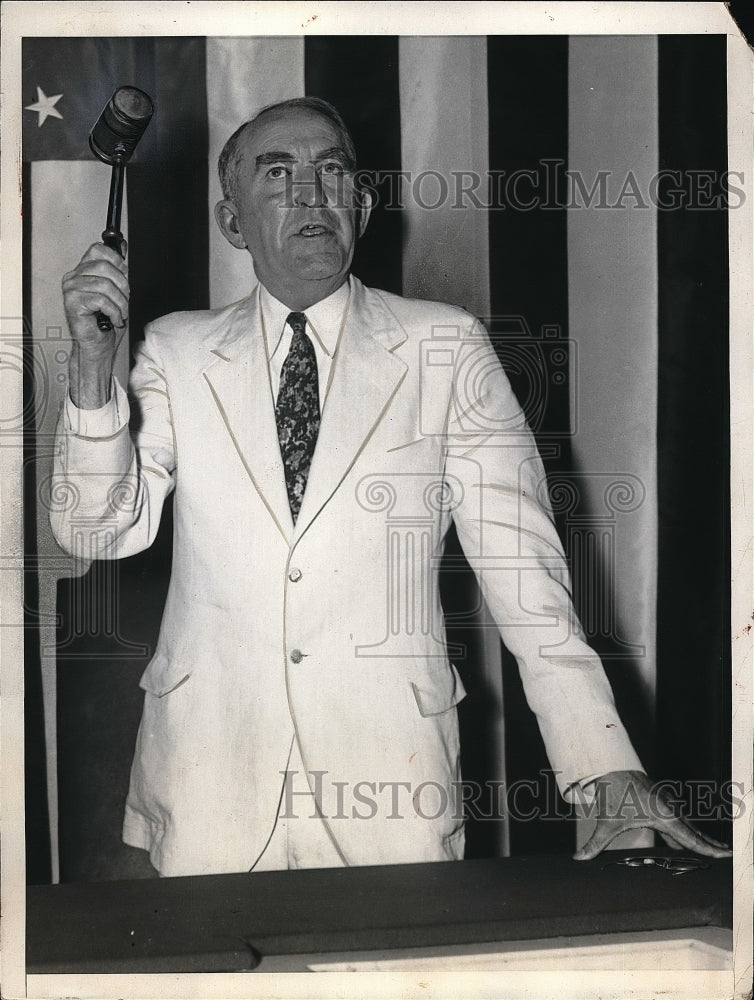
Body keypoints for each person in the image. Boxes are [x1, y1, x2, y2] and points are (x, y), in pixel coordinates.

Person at [52, 97, 730, 877]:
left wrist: (601, 764)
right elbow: (98, 533)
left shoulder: (447, 344)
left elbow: (526, 579)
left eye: (331, 171)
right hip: (208, 787)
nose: (311, 193)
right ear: (231, 221)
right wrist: (93, 379)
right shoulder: (173, 348)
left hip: (392, 793)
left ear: (362, 206)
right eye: (278, 174)